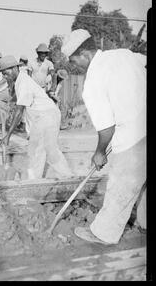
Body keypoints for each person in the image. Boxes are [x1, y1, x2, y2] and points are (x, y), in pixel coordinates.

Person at [62, 29, 146, 244]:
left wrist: (99, 153)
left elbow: (106, 128)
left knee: (121, 186)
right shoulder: (125, 54)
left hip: (132, 138)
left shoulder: (92, 82)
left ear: (85, 55)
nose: (75, 66)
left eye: (74, 61)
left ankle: (103, 233)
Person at [0, 55, 72, 180]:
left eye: (6, 72)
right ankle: (66, 177)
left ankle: (35, 182)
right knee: (46, 150)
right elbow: (21, 103)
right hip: (46, 115)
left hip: (46, 116)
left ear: (15, 68)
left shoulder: (23, 82)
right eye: (3, 74)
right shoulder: (20, 81)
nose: (5, 76)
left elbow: (19, 111)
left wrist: (8, 135)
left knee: (37, 150)